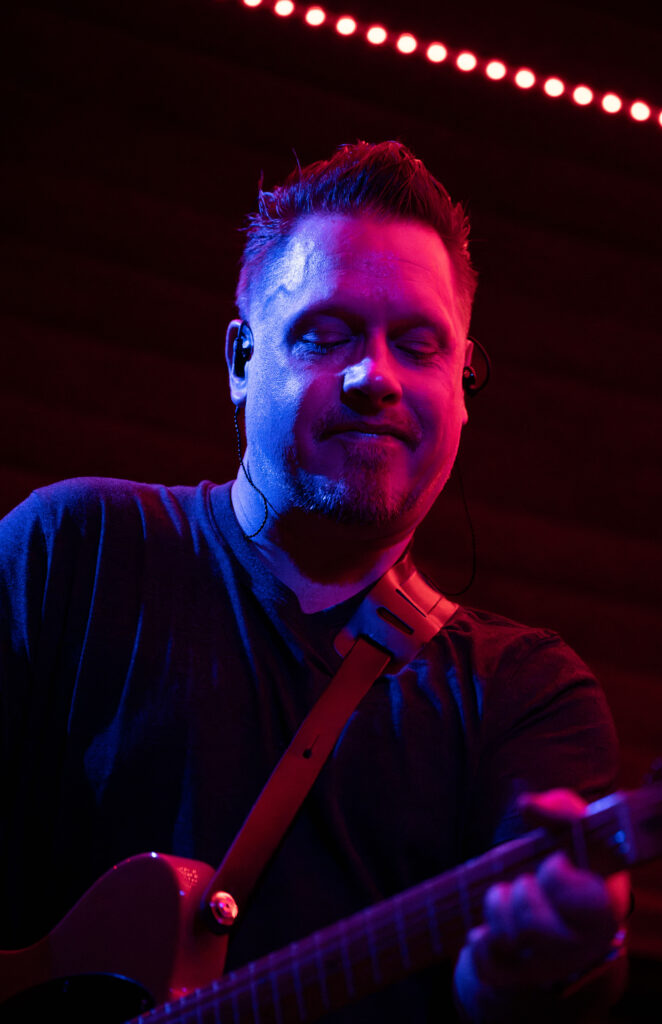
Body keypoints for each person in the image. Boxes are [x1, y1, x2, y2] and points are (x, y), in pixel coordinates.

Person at [0, 141, 628, 1022]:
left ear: (462, 390)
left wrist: (529, 972)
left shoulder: (528, 695)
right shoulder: (74, 550)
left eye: (418, 345)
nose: (377, 377)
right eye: (326, 336)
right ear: (240, 360)